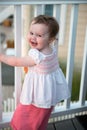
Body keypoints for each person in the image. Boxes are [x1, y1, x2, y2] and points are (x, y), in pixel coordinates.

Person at [0, 15, 71, 130]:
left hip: (35, 98)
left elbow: (17, 61)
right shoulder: (51, 50)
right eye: (31, 33)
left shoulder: (36, 55)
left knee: (24, 119)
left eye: (39, 35)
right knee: (39, 121)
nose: (33, 37)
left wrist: (1, 56)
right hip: (47, 96)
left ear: (50, 39)